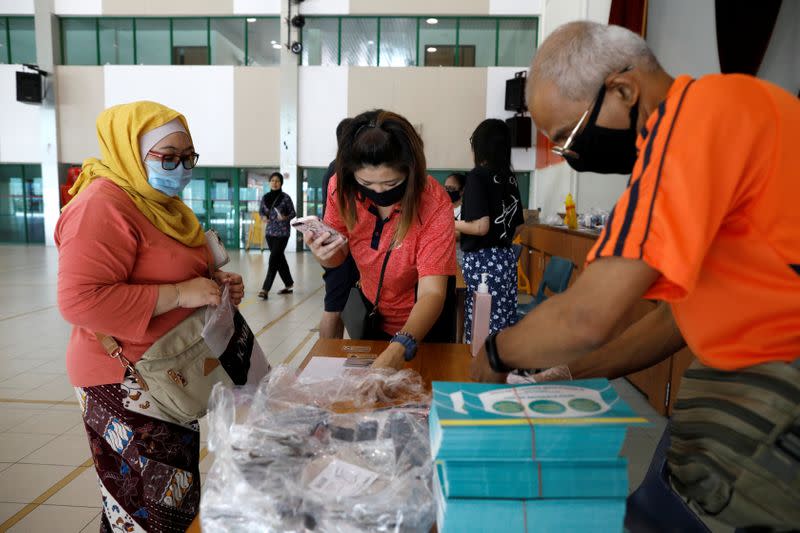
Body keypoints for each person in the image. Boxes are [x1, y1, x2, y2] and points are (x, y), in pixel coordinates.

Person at [471, 21, 800, 530]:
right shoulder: (728, 115)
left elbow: (586, 315)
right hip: (739, 366)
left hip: (777, 384)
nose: (572, 156)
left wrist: (498, 352)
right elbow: (678, 319)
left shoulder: (692, 125)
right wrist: (570, 374)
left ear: (623, 90)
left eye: (569, 137)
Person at [55, 101, 245, 531]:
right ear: (128, 151)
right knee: (150, 511)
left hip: (167, 373)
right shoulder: (102, 205)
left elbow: (175, 265)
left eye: (187, 157)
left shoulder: (163, 204)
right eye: (168, 158)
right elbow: (79, 301)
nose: (180, 168)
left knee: (164, 503)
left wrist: (217, 282)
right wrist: (179, 293)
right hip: (123, 380)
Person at [306, 109, 456, 369]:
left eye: (391, 184)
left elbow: (432, 292)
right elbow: (339, 259)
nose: (378, 192)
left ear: (411, 173)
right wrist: (325, 256)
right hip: (372, 315)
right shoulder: (340, 188)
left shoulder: (433, 201)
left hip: (423, 323)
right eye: (367, 182)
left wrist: (401, 346)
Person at [455, 119, 524, 344]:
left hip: (482, 262)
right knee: (502, 322)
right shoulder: (511, 177)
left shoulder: (477, 176)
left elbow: (480, 227)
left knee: (480, 327)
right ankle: (500, 373)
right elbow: (519, 225)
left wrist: (450, 222)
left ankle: (480, 373)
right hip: (505, 260)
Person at [319, 118, 360, 339]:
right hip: (341, 246)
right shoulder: (342, 170)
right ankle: (325, 358)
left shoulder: (333, 167)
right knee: (333, 308)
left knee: (338, 307)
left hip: (338, 244)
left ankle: (331, 356)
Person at [258, 172, 296, 300]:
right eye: (272, 180)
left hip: (283, 233)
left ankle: (265, 289)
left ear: (281, 183)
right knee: (279, 259)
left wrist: (285, 217)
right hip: (270, 233)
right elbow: (261, 211)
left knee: (274, 259)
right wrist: (263, 217)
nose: (274, 183)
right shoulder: (265, 197)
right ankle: (289, 284)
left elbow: (293, 213)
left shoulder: (285, 198)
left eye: (277, 181)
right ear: (269, 182)